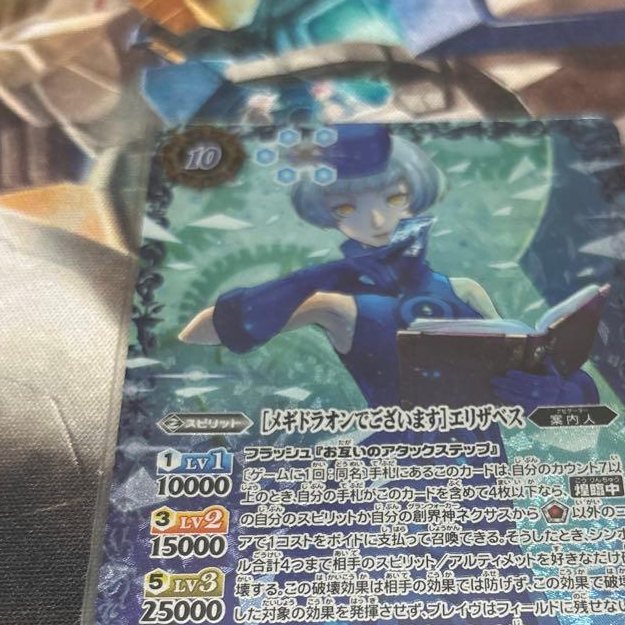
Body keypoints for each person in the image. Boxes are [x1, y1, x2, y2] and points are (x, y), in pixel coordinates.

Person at [180, 124, 599, 412]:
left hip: (484, 474)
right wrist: (314, 278)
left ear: (415, 194)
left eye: (394, 199)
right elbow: (199, 333)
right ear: (328, 215)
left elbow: (559, 397)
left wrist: (556, 393)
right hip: (397, 470)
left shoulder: (465, 290)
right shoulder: (335, 303)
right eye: (347, 208)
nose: (378, 221)